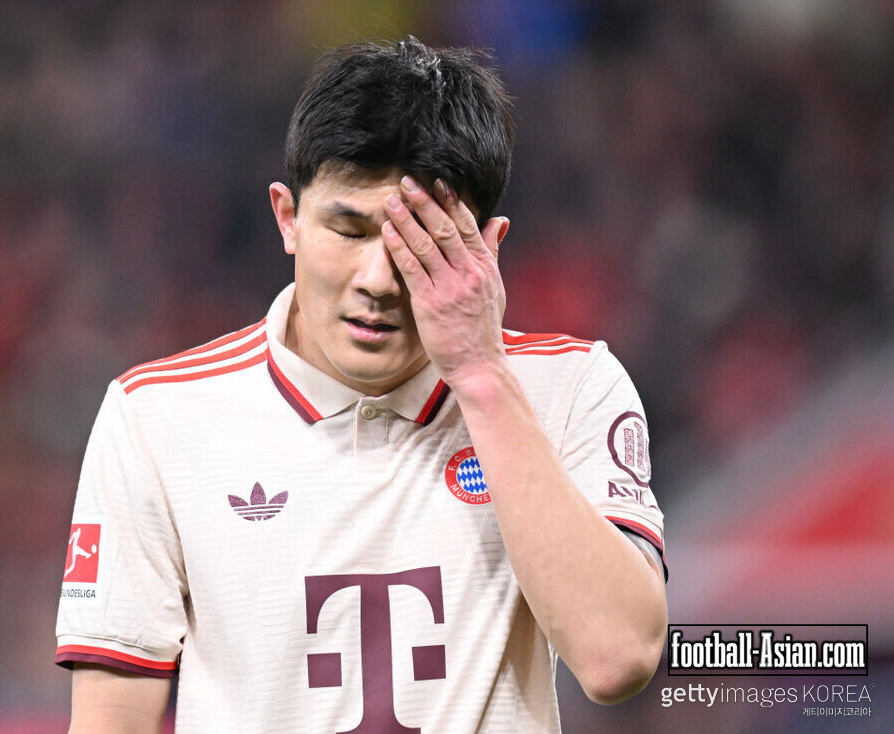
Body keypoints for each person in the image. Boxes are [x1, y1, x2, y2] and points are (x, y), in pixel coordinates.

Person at [56, 37, 667, 733]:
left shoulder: (571, 387)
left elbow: (618, 657)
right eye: (348, 229)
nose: (377, 281)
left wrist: (481, 377)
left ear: (488, 248)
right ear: (287, 217)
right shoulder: (156, 418)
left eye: (422, 243)